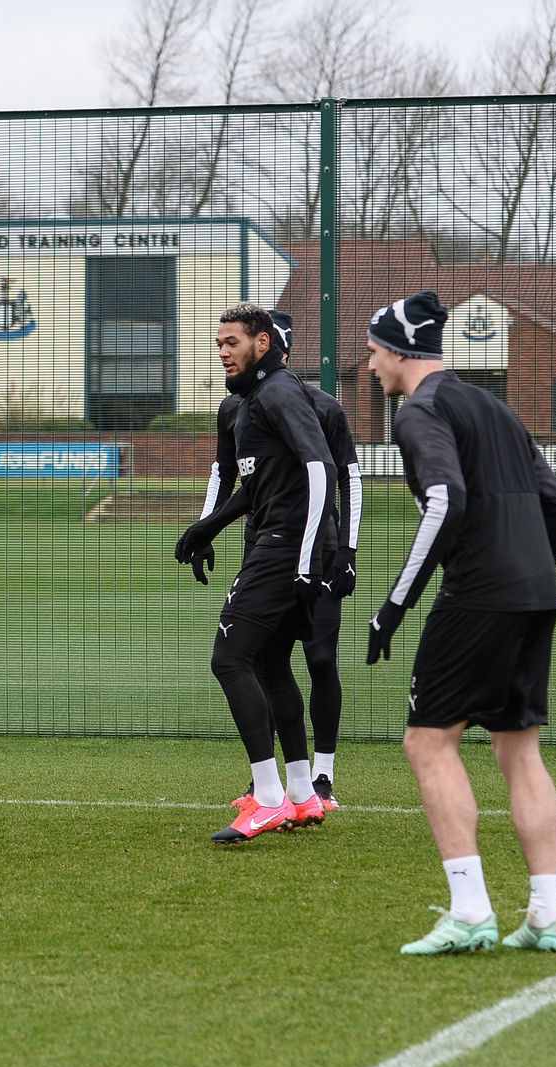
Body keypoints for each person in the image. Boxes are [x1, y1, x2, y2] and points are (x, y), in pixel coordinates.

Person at [361, 290, 556, 955]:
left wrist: (394, 604)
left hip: (479, 594)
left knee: (429, 743)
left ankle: (471, 911)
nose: (370, 366)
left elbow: (444, 503)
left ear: (399, 351)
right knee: (519, 748)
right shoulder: (493, 406)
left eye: (373, 352)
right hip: (535, 591)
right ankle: (546, 915)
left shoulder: (420, 411)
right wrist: (530, 570)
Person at [177, 310, 362, 821]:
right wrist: (206, 526)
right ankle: (301, 794)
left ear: (266, 343)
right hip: (277, 548)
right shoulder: (247, 403)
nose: (222, 351)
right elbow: (248, 483)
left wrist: (329, 555)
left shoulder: (286, 395)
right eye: (218, 343)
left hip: (293, 550)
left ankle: (276, 793)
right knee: (270, 664)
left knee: (236, 660)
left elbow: (328, 472)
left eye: (231, 342)